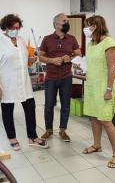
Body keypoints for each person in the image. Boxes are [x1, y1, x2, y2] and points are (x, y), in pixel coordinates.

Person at [0, 14, 49, 150]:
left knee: (30, 108)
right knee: (8, 110)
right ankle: (12, 138)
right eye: (13, 27)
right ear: (5, 27)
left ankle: (32, 137)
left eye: (18, 27)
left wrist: (32, 60)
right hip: (7, 83)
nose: (16, 30)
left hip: (24, 81)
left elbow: (24, 61)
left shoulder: (21, 41)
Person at [82, 15, 115, 168]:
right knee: (93, 117)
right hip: (92, 86)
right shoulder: (91, 43)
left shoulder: (109, 43)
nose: (86, 29)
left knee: (106, 120)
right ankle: (97, 145)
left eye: (88, 26)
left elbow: (112, 68)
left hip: (104, 88)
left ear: (96, 26)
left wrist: (109, 89)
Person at [39, 13, 81, 142]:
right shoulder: (47, 39)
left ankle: (63, 130)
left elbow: (78, 55)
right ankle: (48, 130)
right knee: (49, 105)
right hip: (51, 77)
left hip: (66, 77)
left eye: (67, 20)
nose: (67, 23)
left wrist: (71, 58)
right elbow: (40, 57)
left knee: (66, 105)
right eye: (64, 21)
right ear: (56, 24)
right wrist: (52, 60)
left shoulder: (72, 39)